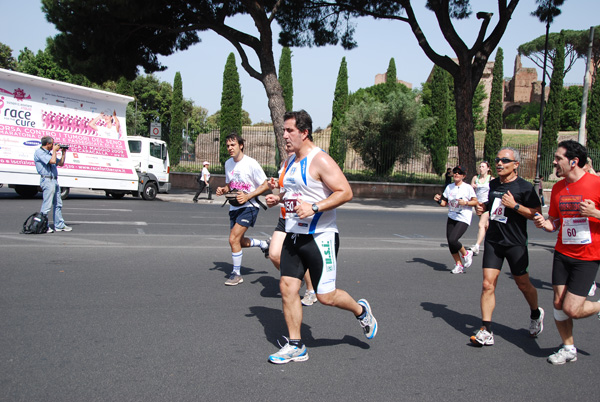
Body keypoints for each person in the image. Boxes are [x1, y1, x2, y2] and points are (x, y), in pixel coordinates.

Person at [265, 110, 377, 364]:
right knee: (287, 287)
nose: (284, 135)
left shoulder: (321, 160)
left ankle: (361, 311)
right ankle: (296, 345)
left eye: (289, 130)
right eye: (283, 130)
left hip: (320, 237)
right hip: (294, 234)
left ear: (304, 133)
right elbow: (292, 190)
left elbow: (345, 192)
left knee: (326, 297)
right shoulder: (289, 162)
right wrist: (278, 198)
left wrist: (315, 207)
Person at [533, 140, 600, 365]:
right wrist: (545, 223)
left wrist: (595, 213)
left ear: (574, 162)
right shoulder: (559, 188)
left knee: (572, 308)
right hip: (563, 253)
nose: (554, 162)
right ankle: (568, 347)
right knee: (558, 303)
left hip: (588, 256)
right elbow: (555, 222)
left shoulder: (596, 184)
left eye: (558, 158)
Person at [471, 147, 544, 346]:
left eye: (505, 160)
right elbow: (489, 205)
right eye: (497, 160)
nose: (500, 163)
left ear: (516, 165)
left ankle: (536, 313)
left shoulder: (525, 187)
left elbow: (537, 214)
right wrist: (481, 207)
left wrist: (515, 206)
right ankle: (486, 330)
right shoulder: (493, 184)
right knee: (487, 284)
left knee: (523, 284)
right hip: (494, 241)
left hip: (515, 243)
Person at [215, 134, 270, 286]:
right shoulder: (228, 164)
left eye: (233, 145)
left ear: (241, 145)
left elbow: (265, 185)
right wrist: (223, 190)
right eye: (227, 146)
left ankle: (236, 274)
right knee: (238, 241)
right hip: (234, 207)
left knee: (232, 239)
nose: (230, 148)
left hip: (249, 206)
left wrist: (248, 196)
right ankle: (264, 244)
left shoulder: (251, 163)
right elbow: (230, 185)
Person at [267, 150, 317, 306]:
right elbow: (286, 191)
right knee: (274, 254)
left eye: (291, 133)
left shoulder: (308, 162)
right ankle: (297, 278)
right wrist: (275, 193)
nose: (287, 139)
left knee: (301, 256)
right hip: (284, 217)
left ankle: (311, 291)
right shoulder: (285, 163)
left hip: (299, 218)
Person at [434, 165, 477, 274]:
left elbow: (475, 201)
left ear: (463, 176)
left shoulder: (467, 187)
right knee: (450, 242)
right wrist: (438, 200)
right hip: (452, 216)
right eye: (455, 172)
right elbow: (444, 203)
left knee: (453, 239)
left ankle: (466, 253)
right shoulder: (449, 187)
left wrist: (466, 203)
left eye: (459, 172)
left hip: (463, 217)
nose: (456, 174)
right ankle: (459, 264)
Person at [33, 136, 72, 232]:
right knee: (47, 205)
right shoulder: (39, 152)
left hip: (54, 180)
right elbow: (52, 161)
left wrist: (63, 153)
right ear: (47, 144)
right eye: (52, 144)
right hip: (47, 180)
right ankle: (43, 225)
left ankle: (59, 225)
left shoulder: (50, 153)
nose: (54, 146)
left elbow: (60, 163)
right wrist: (55, 151)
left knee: (58, 203)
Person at [470, 161, 493, 255]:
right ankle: (491, 241)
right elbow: (470, 191)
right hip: (478, 204)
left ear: (488, 168)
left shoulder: (491, 179)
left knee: (481, 224)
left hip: (487, 203)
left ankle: (477, 246)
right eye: (480, 166)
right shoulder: (476, 178)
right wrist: (472, 186)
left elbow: (494, 192)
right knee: (486, 226)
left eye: (483, 166)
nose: (481, 168)